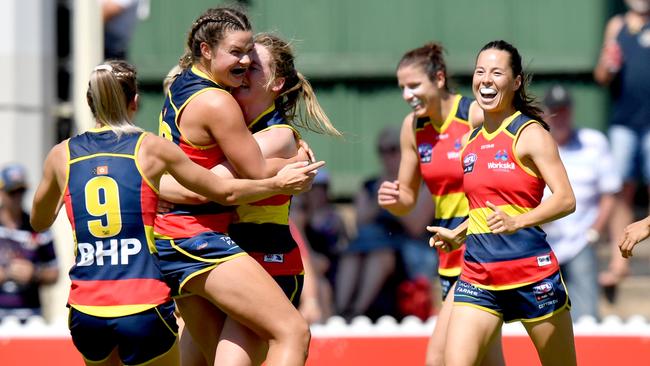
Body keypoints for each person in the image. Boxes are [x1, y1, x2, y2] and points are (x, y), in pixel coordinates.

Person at [28, 60, 321, 366]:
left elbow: (39, 221)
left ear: (90, 101)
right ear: (135, 102)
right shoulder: (149, 148)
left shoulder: (62, 155)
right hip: (145, 296)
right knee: (292, 332)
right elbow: (219, 191)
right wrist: (277, 179)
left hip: (87, 305)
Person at [158, 32, 340, 364]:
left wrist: (153, 187)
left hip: (266, 261)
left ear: (276, 83)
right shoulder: (231, 127)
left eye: (254, 66)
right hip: (219, 258)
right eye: (241, 62)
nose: (243, 70)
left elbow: (208, 186)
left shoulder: (278, 134)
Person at [429, 40, 577, 366]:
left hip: (532, 276)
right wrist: (460, 234)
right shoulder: (469, 141)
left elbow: (566, 200)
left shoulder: (531, 134)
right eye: (480, 71)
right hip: (478, 276)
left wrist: (518, 222)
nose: (485, 79)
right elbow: (485, 209)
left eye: (496, 72)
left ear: (515, 82)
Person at [378, 42, 503, 366]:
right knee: (486, 358)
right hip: (447, 255)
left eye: (414, 85)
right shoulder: (413, 127)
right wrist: (394, 200)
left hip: (480, 248)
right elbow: (407, 198)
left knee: (440, 357)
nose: (407, 94)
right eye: (402, 88)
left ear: (439, 78)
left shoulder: (474, 114)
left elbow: (509, 165)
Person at [541, 84, 621, 321]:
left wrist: (594, 231)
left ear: (572, 111)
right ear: (545, 114)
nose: (561, 117)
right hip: (542, 241)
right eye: (555, 111)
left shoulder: (593, 143)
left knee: (586, 314)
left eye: (564, 110)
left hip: (580, 239)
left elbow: (610, 192)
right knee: (541, 314)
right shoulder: (534, 145)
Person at [336, 126, 429, 321]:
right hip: (371, 244)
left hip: (408, 248)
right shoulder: (370, 184)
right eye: (382, 150)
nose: (387, 156)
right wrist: (378, 199)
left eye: (393, 149)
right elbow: (359, 222)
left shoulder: (422, 183)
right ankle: (341, 312)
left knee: (380, 256)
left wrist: (395, 202)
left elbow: (416, 226)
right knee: (350, 255)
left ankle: (357, 312)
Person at [593, 0, 650, 297]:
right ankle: (619, 259)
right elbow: (602, 76)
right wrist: (609, 63)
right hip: (625, 122)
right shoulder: (616, 26)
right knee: (620, 190)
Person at [0, 163, 58, 321]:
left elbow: (55, 273)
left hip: (31, 316)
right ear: (2, 193)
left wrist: (35, 273)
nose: (17, 197)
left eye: (21, 191)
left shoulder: (38, 227)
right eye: (12, 192)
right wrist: (5, 273)